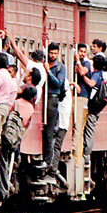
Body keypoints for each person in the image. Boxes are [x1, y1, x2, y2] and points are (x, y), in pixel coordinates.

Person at [0, 86, 37, 200]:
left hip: (7, 135)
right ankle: (9, 186)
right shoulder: (31, 108)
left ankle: (3, 190)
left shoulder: (16, 102)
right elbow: (26, 124)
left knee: (3, 161)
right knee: (11, 161)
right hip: (17, 138)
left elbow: (7, 115)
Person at [78, 55, 107, 174]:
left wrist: (83, 76)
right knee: (90, 128)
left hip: (93, 107)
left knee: (89, 129)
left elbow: (91, 84)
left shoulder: (96, 74)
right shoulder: (101, 73)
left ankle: (86, 155)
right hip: (97, 107)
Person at [40, 43, 65, 175]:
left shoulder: (60, 67)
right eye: (51, 53)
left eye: (55, 53)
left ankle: (48, 160)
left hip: (52, 98)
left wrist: (48, 71)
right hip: (42, 97)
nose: (52, 55)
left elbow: (58, 83)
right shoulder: (44, 64)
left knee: (50, 132)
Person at [72, 43, 93, 158]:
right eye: (80, 51)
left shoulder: (86, 63)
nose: (82, 54)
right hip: (76, 96)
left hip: (82, 97)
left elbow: (82, 72)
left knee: (79, 125)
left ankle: (76, 152)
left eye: (84, 52)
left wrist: (78, 62)